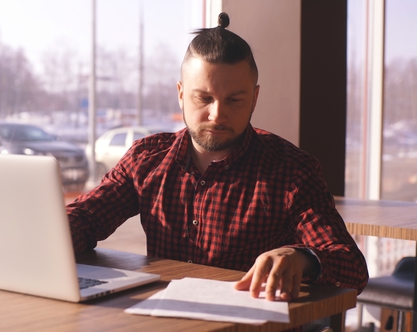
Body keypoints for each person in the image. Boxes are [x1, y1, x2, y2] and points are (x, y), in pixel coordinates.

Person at [66, 12, 368, 302]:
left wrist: (303, 258)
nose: (217, 114)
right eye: (204, 98)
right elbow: (86, 218)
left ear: (255, 97)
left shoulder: (291, 171)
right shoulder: (147, 159)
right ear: (181, 94)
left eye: (235, 100)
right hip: (165, 320)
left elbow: (351, 267)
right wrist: (56, 233)